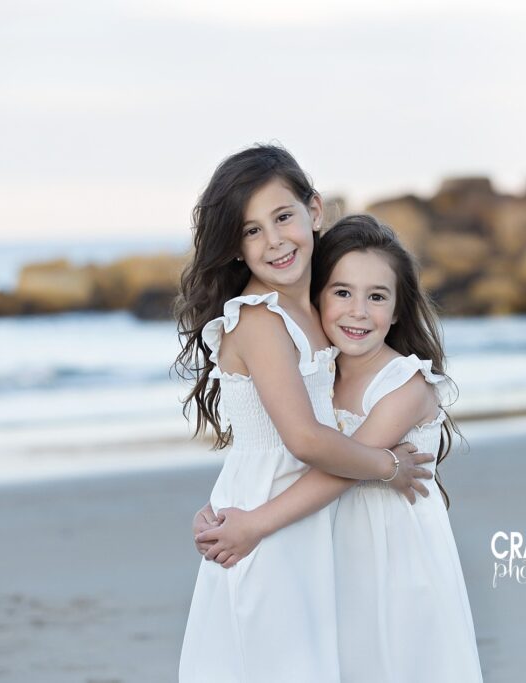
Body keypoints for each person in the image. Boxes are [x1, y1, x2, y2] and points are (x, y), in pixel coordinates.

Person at [174, 146, 434, 683]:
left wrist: (412, 399)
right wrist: (387, 465)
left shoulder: (314, 307)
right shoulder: (259, 319)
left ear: (314, 212)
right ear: (235, 248)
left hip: (303, 513)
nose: (273, 240)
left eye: (283, 217)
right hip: (264, 525)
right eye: (250, 230)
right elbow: (302, 439)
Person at [193, 215, 484, 682]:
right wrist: (220, 508)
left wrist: (253, 525)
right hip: (336, 553)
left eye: (377, 297)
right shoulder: (321, 375)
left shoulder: (403, 386)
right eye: (342, 292)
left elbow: (341, 469)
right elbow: (273, 452)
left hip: (395, 564)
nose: (358, 311)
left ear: (397, 310)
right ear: (318, 298)